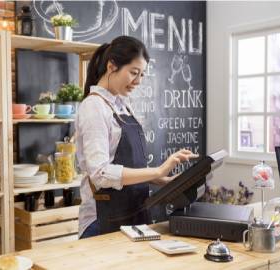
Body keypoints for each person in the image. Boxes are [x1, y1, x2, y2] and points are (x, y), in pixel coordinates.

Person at [75, 36, 199, 239]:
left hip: (134, 216)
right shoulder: (94, 107)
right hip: (105, 222)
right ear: (111, 66)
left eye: (142, 75)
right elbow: (100, 173)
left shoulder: (123, 104)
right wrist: (157, 170)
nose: (138, 81)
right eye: (134, 73)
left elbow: (127, 163)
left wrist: (163, 180)